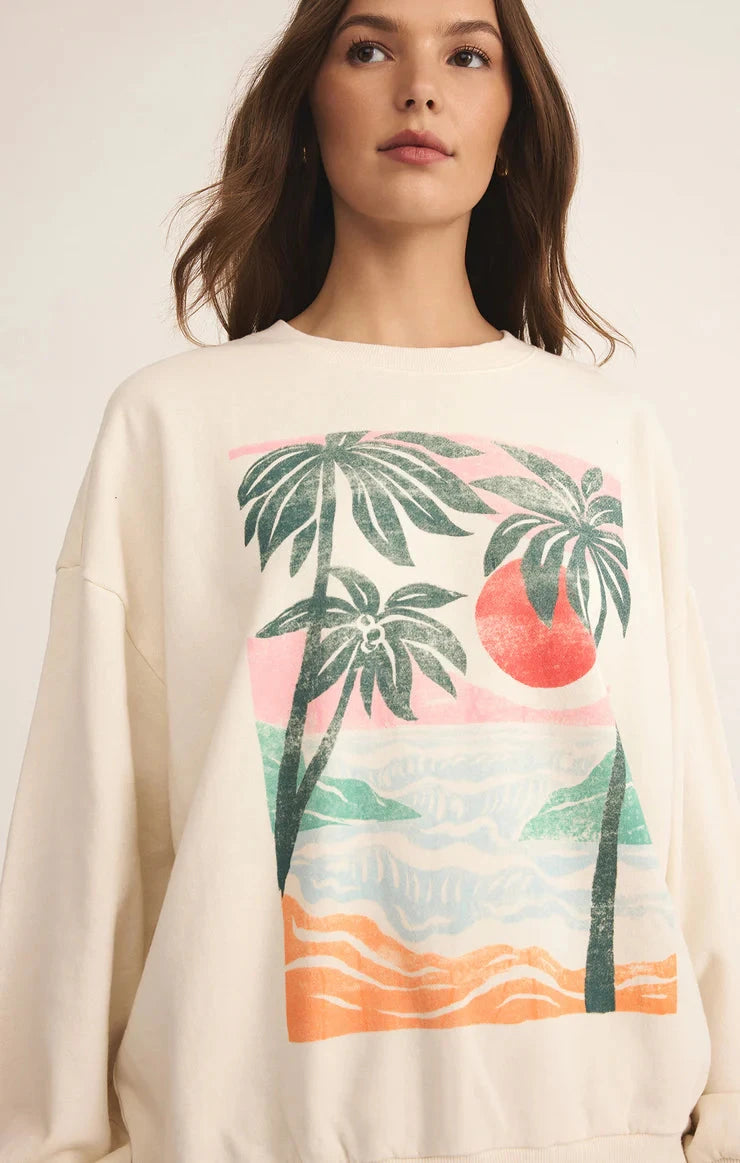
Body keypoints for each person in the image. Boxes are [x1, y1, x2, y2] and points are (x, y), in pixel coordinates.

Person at [1, 0, 738, 1160]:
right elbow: (89, 820)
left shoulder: (608, 435)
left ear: (513, 123)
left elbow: (679, 798)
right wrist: (44, 1136)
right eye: (368, 46)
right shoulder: (173, 425)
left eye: (467, 53)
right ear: (307, 106)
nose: (419, 86)